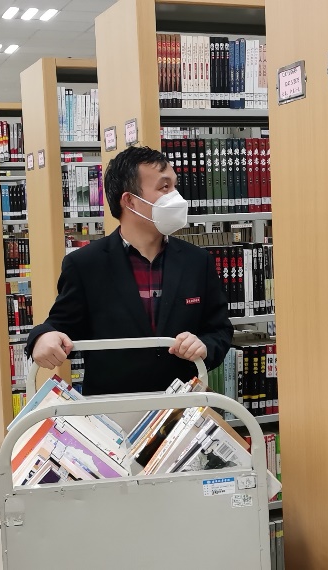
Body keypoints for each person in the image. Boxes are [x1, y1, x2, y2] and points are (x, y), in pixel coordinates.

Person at [27, 145, 232, 395]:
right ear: (130, 201)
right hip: (112, 407)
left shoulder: (197, 261)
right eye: (164, 187)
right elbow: (59, 325)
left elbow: (219, 329)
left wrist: (204, 346)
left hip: (181, 407)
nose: (176, 197)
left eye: (175, 186)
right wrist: (41, 339)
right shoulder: (85, 264)